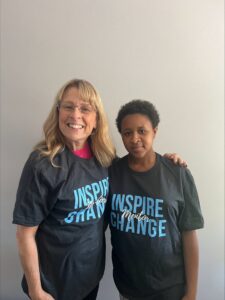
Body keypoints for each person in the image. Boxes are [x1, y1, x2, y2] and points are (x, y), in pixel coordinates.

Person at [13, 79, 186, 300]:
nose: (76, 115)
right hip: (52, 286)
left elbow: (136, 170)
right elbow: (25, 234)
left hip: (90, 279)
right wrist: (36, 291)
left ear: (95, 120)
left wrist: (170, 162)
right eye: (68, 106)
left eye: (85, 108)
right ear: (58, 113)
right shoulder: (43, 164)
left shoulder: (104, 159)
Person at [108, 100, 204, 300]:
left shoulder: (177, 173)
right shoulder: (111, 173)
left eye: (142, 131)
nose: (135, 139)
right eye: (127, 133)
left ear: (154, 131)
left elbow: (189, 234)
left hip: (170, 288)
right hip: (128, 288)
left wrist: (191, 292)